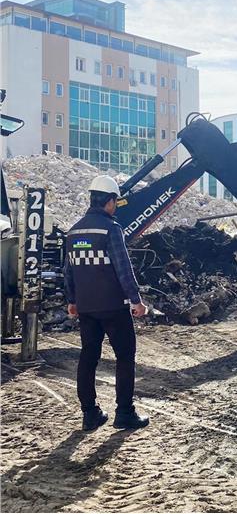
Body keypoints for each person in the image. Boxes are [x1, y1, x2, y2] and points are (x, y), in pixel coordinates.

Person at [64, 175, 150, 431]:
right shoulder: (111, 229)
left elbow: (68, 271)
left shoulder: (74, 231)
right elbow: (123, 269)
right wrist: (136, 300)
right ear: (110, 201)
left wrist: (72, 300)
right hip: (113, 306)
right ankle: (124, 413)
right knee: (125, 355)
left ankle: (90, 414)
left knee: (88, 356)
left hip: (87, 307)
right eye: (115, 201)